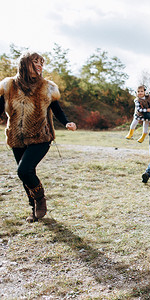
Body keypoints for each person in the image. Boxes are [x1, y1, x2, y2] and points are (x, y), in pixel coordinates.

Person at [0, 52, 77, 223]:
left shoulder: (46, 87)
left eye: (41, 62)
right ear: (24, 64)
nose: (39, 65)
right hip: (16, 138)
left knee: (23, 170)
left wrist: (66, 122)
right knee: (26, 175)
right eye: (35, 62)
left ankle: (40, 200)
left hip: (40, 137)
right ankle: (33, 208)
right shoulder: (8, 86)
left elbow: (57, 109)